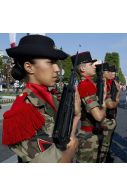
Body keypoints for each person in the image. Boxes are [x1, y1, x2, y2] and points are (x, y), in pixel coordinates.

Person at [2, 34, 80, 163]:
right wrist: (71, 150)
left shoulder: (50, 97)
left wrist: (76, 116)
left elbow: (64, 139)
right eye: (50, 62)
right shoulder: (22, 112)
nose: (57, 69)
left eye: (56, 63)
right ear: (29, 67)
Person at [71, 51, 106, 163]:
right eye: (91, 64)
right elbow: (98, 116)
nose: (94, 66)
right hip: (88, 135)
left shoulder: (88, 83)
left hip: (89, 133)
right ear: (82, 69)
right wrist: (104, 101)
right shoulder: (86, 85)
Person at [98, 63, 120, 162]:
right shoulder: (102, 84)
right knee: (103, 145)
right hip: (104, 117)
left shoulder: (108, 83)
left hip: (108, 115)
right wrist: (118, 94)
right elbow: (110, 104)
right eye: (109, 71)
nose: (112, 74)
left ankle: (106, 155)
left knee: (106, 143)